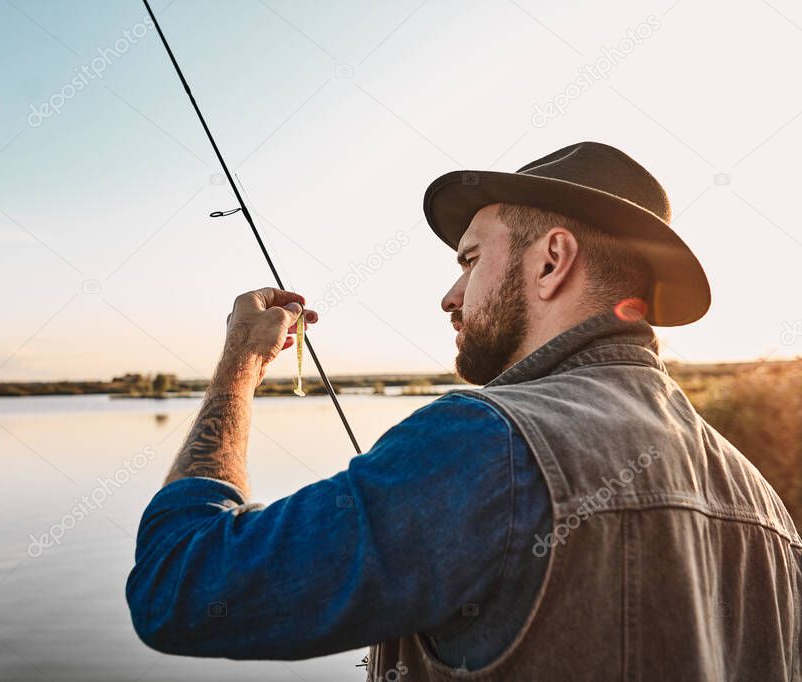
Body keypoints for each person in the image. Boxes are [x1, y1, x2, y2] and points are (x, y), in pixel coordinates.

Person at [126, 141, 802, 680]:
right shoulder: (764, 506)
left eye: (471, 259)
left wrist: (238, 366)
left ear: (550, 262)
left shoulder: (486, 442)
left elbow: (178, 587)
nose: (450, 296)